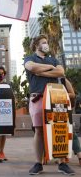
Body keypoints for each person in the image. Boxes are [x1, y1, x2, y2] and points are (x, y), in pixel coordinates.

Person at [24, 34, 75, 175]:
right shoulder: (29, 58)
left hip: (55, 97)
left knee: (57, 128)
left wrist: (41, 72)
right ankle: (38, 163)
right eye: (44, 42)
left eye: (47, 42)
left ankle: (61, 163)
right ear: (36, 45)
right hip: (37, 98)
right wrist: (49, 68)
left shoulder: (54, 59)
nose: (46, 45)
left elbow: (61, 72)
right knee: (39, 131)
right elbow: (31, 68)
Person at [59, 78, 81, 166]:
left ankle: (79, 155)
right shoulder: (44, 80)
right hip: (50, 109)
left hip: (64, 108)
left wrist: (57, 94)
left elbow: (72, 94)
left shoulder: (63, 79)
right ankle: (62, 156)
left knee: (71, 132)